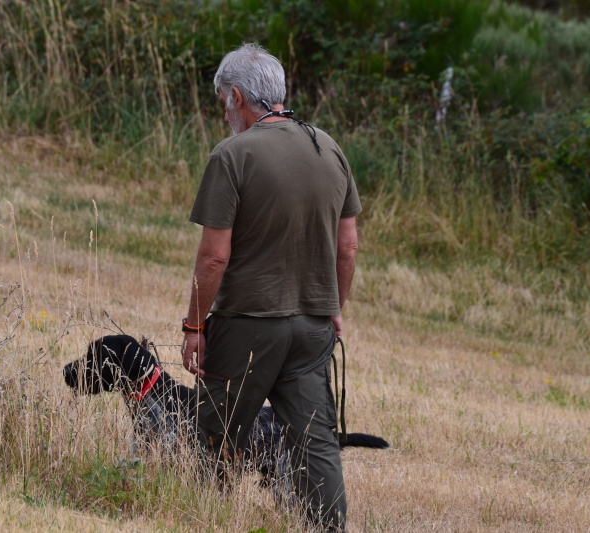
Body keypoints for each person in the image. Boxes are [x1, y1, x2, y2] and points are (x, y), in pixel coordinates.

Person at [180, 43, 361, 532]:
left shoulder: (232, 155)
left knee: (215, 435)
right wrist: (333, 307)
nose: (224, 113)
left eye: (223, 102)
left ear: (237, 96)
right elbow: (348, 246)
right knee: (315, 443)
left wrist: (195, 324)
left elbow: (215, 255)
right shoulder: (330, 149)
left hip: (248, 328)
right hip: (313, 328)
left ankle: (202, 520)